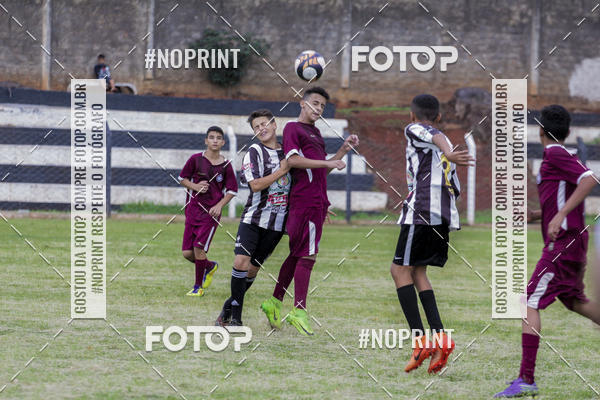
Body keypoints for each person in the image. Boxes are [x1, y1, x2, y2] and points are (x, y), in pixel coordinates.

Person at [494, 105, 599, 397]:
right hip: (570, 242)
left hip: (563, 244)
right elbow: (564, 197)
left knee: (529, 301)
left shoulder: (554, 153)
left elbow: (590, 179)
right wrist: (539, 215)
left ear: (540, 130)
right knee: (574, 301)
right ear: (567, 131)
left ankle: (526, 379)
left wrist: (558, 215)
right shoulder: (559, 156)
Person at [260, 86, 359, 336]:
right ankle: (299, 310)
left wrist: (342, 151)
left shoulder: (316, 133)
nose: (319, 108)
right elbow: (292, 161)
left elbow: (321, 170)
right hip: (305, 201)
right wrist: (326, 162)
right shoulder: (293, 128)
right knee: (308, 256)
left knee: (297, 254)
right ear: (302, 103)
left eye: (323, 105)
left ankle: (273, 302)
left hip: (315, 202)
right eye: (315, 103)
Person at [392, 94, 474, 374]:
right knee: (418, 272)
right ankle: (441, 339)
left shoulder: (416, 129)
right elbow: (455, 186)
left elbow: (432, 134)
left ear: (412, 115)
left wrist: (447, 151)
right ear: (439, 115)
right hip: (442, 215)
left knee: (398, 270)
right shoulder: (443, 144)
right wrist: (448, 153)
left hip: (422, 212)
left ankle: (420, 342)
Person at [215, 109, 291, 326]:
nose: (261, 129)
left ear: (274, 124)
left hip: (277, 224)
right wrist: (281, 171)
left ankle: (227, 309)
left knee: (252, 270)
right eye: (256, 127)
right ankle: (236, 319)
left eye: (264, 124)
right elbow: (255, 185)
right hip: (253, 219)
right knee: (241, 262)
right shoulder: (254, 152)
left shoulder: (289, 153)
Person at [178, 126, 238, 297]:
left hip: (210, 214)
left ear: (223, 142)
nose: (215, 140)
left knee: (199, 248)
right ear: (206, 140)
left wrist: (219, 205)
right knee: (187, 253)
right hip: (193, 211)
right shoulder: (196, 159)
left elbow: (232, 190)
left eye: (218, 138)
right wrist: (195, 186)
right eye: (211, 137)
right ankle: (210, 266)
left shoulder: (226, 165)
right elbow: (182, 178)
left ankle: (198, 287)